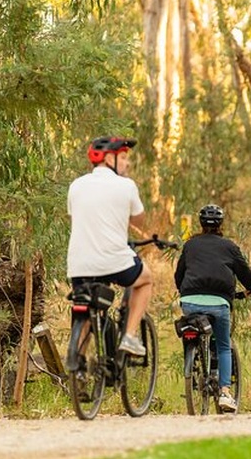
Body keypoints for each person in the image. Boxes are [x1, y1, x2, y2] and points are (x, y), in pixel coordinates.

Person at [67, 136, 153, 356]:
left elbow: (76, 216)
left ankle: (78, 368)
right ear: (108, 159)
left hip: (79, 265)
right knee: (146, 279)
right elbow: (138, 221)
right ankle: (130, 336)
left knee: (85, 311)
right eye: (123, 157)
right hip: (115, 261)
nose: (127, 163)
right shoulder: (126, 185)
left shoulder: (76, 185)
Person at [174, 204, 251, 412]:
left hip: (190, 300)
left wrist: (184, 292)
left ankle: (193, 368)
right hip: (219, 303)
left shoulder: (190, 245)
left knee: (190, 330)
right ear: (221, 224)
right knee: (223, 346)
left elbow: (179, 274)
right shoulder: (229, 246)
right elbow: (246, 274)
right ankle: (225, 393)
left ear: (201, 224)